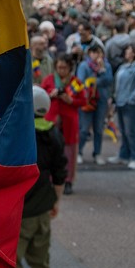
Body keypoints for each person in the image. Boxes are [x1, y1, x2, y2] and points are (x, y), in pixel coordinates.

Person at [2, 86, 67, 268]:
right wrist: (55, 202)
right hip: (42, 209)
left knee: (11, 265)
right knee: (41, 265)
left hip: (18, 212)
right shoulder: (54, 134)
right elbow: (60, 174)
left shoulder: (19, 134)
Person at [41, 54, 86, 195]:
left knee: (69, 152)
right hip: (52, 121)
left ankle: (68, 181)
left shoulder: (76, 82)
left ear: (70, 68)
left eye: (64, 68)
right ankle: (50, 179)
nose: (61, 70)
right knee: (51, 151)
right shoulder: (49, 80)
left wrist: (70, 100)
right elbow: (40, 96)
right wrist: (50, 94)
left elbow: (83, 101)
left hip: (69, 122)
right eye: (59, 67)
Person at [108, 44, 135, 170]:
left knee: (131, 131)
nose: (126, 51)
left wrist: (132, 99)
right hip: (121, 102)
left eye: (129, 50)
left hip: (132, 104)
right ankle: (124, 154)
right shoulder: (124, 66)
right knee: (124, 131)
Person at [76, 45, 113, 165]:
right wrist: (95, 80)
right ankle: (79, 152)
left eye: (100, 53)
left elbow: (109, 80)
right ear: (90, 54)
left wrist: (101, 72)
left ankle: (97, 153)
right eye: (95, 53)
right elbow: (81, 81)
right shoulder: (84, 65)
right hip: (87, 100)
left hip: (101, 100)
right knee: (83, 128)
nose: (98, 56)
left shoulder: (106, 66)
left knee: (98, 128)